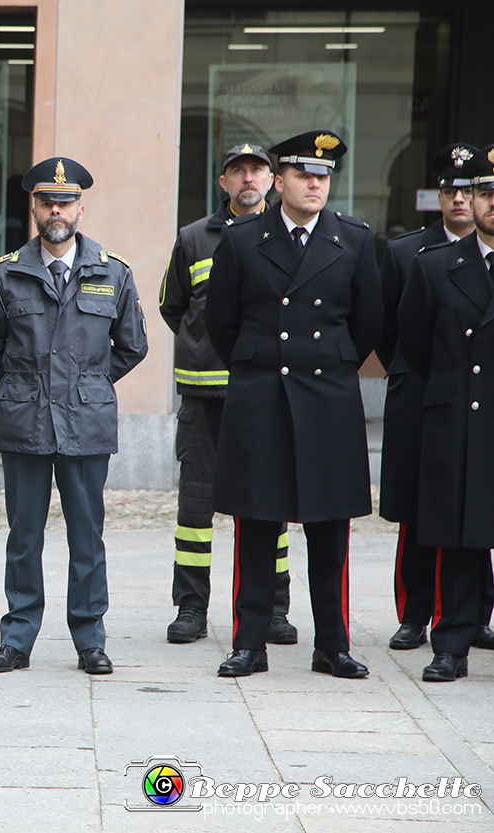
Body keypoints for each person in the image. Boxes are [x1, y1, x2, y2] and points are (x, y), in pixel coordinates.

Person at [205, 130, 381, 679]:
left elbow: (369, 320)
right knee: (256, 526)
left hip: (327, 400)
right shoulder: (240, 240)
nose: (314, 184)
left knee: (330, 532)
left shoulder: (353, 240)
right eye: (304, 174)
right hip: (262, 398)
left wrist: (330, 361)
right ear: (279, 181)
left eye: (323, 176)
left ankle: (333, 645)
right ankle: (248, 643)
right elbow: (221, 323)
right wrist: (257, 366)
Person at [0, 157, 149, 675]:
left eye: (66, 201)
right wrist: (33, 384)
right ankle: (18, 638)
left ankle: (90, 639)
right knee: (24, 536)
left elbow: (131, 345)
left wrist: (87, 383)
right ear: (33, 207)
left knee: (86, 536)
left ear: (80, 208)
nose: (57, 209)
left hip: (86, 424)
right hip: (25, 421)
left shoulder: (112, 272)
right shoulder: (5, 274)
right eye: (48, 201)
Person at [158, 143, 296, 645]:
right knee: (195, 512)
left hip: (264, 395)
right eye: (237, 171)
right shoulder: (194, 238)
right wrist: (204, 349)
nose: (248, 179)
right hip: (203, 398)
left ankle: (273, 608)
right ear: (223, 182)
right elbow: (172, 306)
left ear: (273, 178)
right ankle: (191, 608)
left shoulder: (287, 236)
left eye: (257, 169)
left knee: (269, 508)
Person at [376, 144, 494, 653]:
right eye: (454, 189)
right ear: (440, 196)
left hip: (474, 402)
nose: (464, 199)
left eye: (474, 190)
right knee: (421, 512)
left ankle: (471, 614)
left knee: (471, 513)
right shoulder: (411, 254)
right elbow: (393, 333)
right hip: (426, 397)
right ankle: (416, 611)